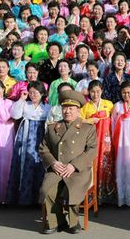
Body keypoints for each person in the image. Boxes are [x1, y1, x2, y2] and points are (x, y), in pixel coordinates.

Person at [39, 90, 97, 234]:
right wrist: (53, 163)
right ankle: (55, 221)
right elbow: (43, 148)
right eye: (65, 108)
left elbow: (92, 150)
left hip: (78, 169)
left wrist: (74, 165)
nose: (67, 111)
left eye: (71, 108)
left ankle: (73, 221)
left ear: (78, 110)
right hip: (57, 167)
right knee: (48, 190)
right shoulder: (53, 128)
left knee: (73, 189)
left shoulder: (87, 128)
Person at [7, 81, 51, 204]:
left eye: (35, 92)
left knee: (39, 163)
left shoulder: (48, 107)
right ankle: (23, 198)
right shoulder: (25, 104)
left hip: (40, 136)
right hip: (25, 137)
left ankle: (38, 198)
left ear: (42, 93)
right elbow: (15, 115)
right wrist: (21, 99)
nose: (32, 95)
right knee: (24, 162)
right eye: (30, 92)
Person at [0, 79, 15, 204]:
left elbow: (3, 117)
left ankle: (5, 198)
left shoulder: (10, 103)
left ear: (3, 89)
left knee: (5, 168)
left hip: (6, 139)